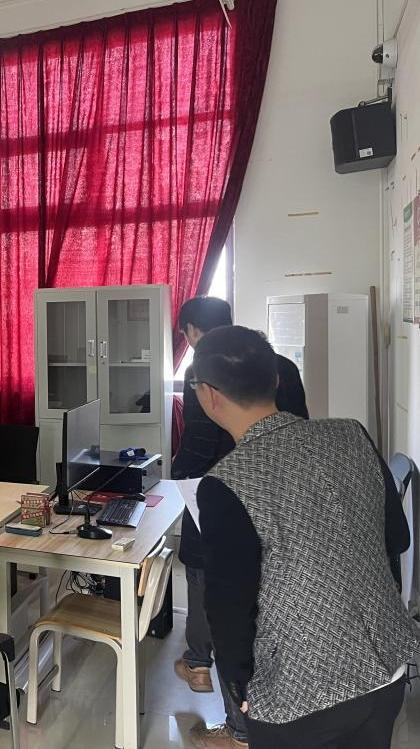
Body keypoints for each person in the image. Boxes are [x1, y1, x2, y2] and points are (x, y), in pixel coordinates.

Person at [192, 326, 418, 749]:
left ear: (209, 395)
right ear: (277, 380)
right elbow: (397, 538)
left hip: (301, 693)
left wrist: (239, 686)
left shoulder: (227, 482)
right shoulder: (352, 434)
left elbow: (228, 606)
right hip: (387, 667)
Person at [172, 297, 308, 749]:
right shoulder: (278, 365)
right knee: (263, 599)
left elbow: (197, 445)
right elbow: (300, 427)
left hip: (218, 495)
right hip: (283, 497)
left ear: (192, 331)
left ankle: (237, 724)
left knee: (215, 590)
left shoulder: (204, 375)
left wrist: (179, 480)